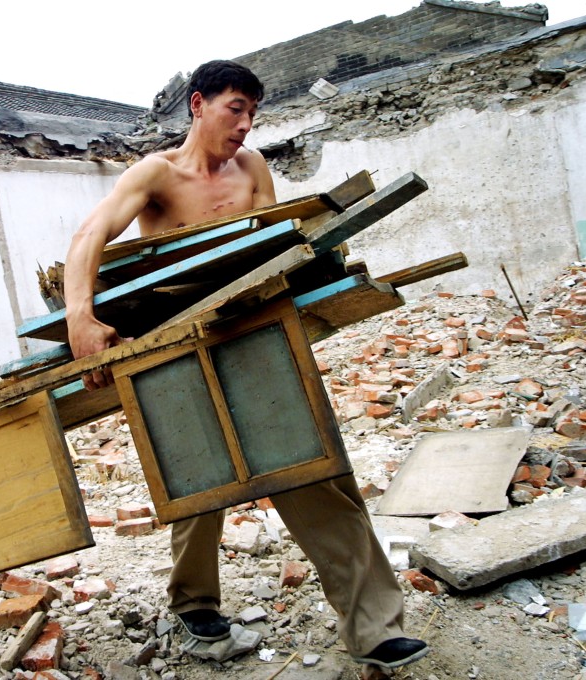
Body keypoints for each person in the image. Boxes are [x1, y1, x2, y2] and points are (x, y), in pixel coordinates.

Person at [63, 60, 428, 671]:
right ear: (198, 105)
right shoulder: (156, 173)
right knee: (195, 478)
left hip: (255, 335)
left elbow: (271, 253)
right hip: (172, 343)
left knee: (311, 470)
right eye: (236, 109)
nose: (246, 125)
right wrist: (80, 317)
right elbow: (89, 236)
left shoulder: (252, 169)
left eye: (254, 114)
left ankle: (373, 627)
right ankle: (194, 606)